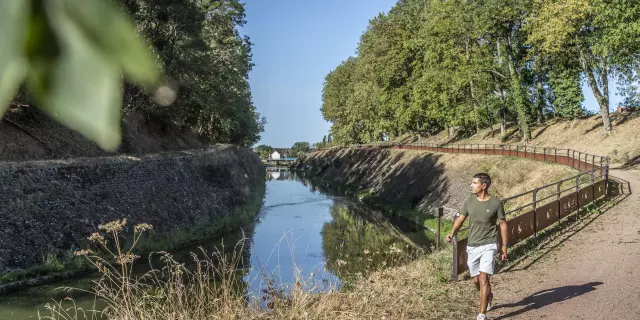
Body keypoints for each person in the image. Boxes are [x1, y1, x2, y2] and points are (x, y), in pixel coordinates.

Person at [446, 173, 508, 320]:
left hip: (489, 244)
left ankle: (482, 314)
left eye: (474, 183)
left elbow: (503, 224)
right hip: (473, 245)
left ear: (483, 186)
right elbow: (461, 219)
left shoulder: (496, 203)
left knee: (484, 278)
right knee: (476, 280)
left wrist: (504, 246)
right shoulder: (469, 201)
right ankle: (489, 295)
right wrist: (452, 232)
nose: (471, 185)